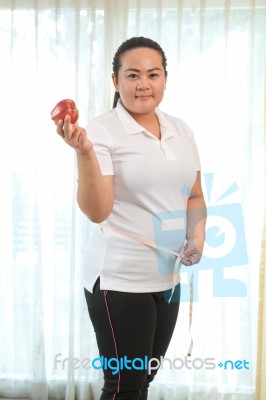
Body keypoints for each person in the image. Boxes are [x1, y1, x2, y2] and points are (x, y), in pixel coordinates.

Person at [56, 36, 206, 400]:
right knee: (124, 386)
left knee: (143, 384)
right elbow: (97, 211)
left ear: (165, 79)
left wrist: (197, 238)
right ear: (115, 81)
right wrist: (84, 153)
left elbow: (196, 196)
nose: (143, 84)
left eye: (153, 74)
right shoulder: (103, 129)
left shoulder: (181, 130)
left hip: (168, 278)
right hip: (119, 280)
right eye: (133, 75)